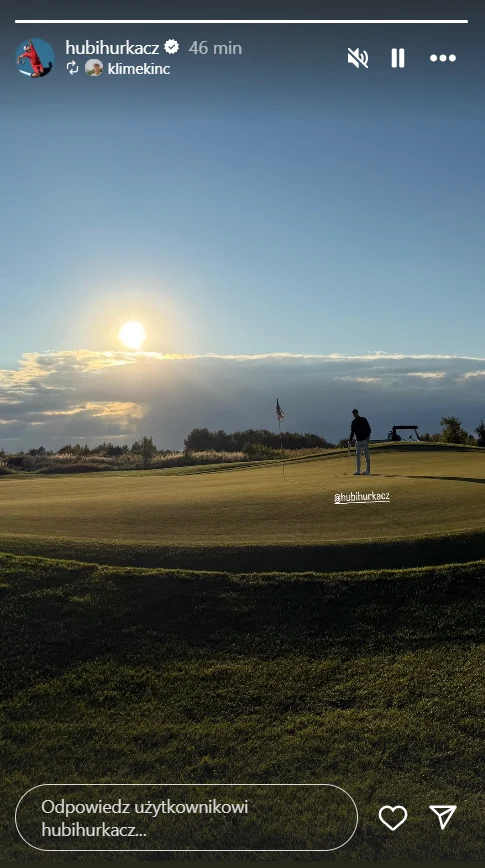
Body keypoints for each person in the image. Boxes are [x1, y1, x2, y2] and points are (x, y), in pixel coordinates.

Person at [349, 408, 371, 475]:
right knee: (357, 456)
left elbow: (368, 429)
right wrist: (350, 440)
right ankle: (358, 470)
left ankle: (367, 470)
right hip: (358, 441)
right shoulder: (353, 422)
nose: (354, 415)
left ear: (357, 413)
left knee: (366, 455)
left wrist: (367, 437)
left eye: (355, 413)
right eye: (353, 414)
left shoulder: (363, 420)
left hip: (364, 440)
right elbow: (352, 432)